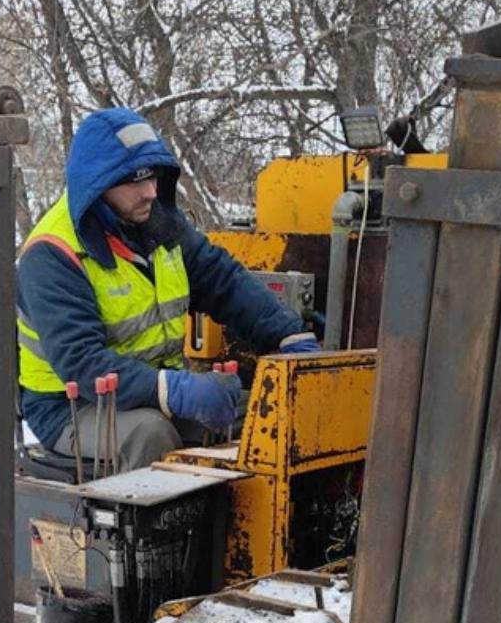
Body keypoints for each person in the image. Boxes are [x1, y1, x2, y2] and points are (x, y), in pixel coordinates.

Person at [17, 108, 319, 472]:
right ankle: (152, 531)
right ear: (96, 184)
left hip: (152, 388)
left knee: (262, 416)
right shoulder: (52, 254)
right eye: (133, 181)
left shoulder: (159, 223)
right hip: (71, 407)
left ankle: (228, 526)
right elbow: (81, 362)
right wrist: (177, 391)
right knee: (151, 434)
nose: (149, 192)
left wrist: (289, 336)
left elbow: (223, 280)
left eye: (154, 178)